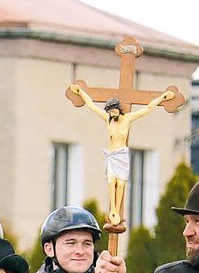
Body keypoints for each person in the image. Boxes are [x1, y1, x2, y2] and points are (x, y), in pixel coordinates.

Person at [68, 86, 175, 226]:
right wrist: (80, 92)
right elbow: (92, 106)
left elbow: (147, 108)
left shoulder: (127, 119)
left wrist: (163, 97)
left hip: (122, 155)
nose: (111, 114)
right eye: (109, 112)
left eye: (113, 111)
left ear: (118, 108)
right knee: (112, 182)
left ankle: (117, 211)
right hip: (112, 154)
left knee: (121, 184)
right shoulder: (108, 119)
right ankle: (113, 210)